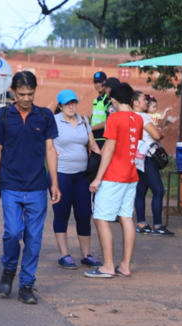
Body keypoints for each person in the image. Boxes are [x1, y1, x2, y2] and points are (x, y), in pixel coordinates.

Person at [0, 71, 61, 305]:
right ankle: (9, 268)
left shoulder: (45, 116)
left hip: (38, 187)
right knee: (11, 233)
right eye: (21, 94)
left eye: (30, 94)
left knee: (34, 238)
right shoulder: (2, 117)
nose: (26, 98)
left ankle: (26, 284)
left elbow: (50, 150)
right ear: (13, 91)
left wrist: (54, 183)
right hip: (10, 186)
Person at [85, 83, 144, 279]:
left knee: (101, 218)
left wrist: (97, 178)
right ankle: (125, 266)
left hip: (113, 176)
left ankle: (108, 265)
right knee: (126, 218)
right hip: (131, 175)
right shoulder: (137, 119)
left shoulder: (114, 118)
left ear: (114, 100)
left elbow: (108, 149)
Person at [51, 89, 103, 270]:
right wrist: (48, 151)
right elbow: (42, 142)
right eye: (67, 104)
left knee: (83, 215)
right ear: (60, 106)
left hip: (81, 176)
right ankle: (64, 255)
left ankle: (86, 255)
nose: (71, 106)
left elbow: (93, 145)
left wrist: (104, 163)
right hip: (61, 174)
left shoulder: (83, 121)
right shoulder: (54, 121)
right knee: (62, 213)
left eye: (73, 103)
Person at [131, 92, 174, 237]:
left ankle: (141, 224)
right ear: (135, 102)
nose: (146, 102)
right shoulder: (143, 116)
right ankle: (158, 225)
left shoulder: (131, 116)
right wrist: (160, 134)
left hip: (137, 157)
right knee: (159, 190)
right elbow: (156, 136)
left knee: (141, 192)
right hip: (147, 157)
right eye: (144, 100)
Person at [91, 74, 119, 149]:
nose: (98, 85)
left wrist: (90, 128)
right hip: (95, 137)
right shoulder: (96, 100)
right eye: (96, 82)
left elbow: (109, 120)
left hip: (103, 138)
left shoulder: (108, 99)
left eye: (100, 82)